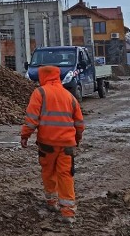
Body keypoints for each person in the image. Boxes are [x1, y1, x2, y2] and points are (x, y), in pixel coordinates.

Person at [20, 65, 85, 224]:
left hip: (47, 144)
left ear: (43, 77)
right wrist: (77, 137)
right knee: (66, 175)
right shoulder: (69, 96)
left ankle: (51, 202)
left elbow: (31, 118)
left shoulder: (40, 93)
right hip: (67, 145)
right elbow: (79, 122)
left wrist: (25, 136)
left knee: (48, 172)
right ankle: (68, 212)